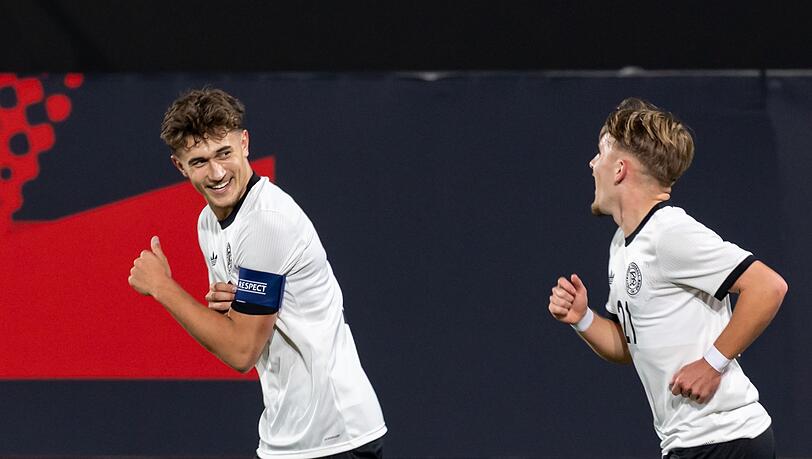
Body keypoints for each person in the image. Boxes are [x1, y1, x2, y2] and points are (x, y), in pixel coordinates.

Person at [128, 88, 386, 458]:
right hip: (286, 434)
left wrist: (162, 287)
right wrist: (230, 310)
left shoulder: (267, 221)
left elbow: (240, 351)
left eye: (224, 153)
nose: (217, 173)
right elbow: (234, 326)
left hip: (335, 435)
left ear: (244, 143)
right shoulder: (208, 223)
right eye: (199, 161)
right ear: (180, 166)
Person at [547, 98, 787, 458]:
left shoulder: (669, 232)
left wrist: (712, 363)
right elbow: (628, 346)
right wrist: (581, 318)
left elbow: (768, 286)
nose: (592, 164)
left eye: (600, 153)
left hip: (725, 439)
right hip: (694, 443)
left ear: (619, 170)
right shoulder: (622, 245)